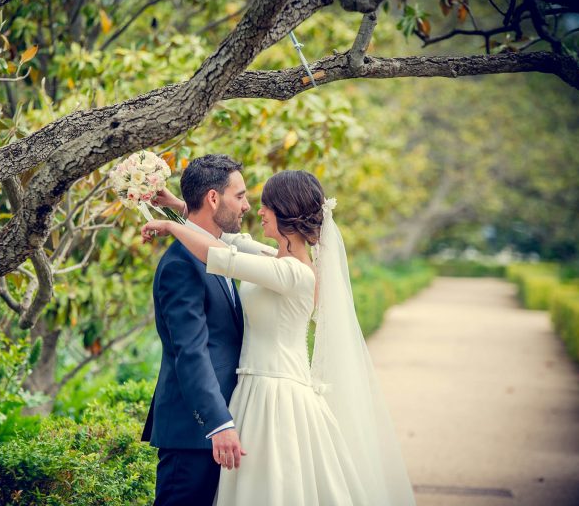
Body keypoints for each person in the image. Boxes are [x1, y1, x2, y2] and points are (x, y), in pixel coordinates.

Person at [143, 169, 416, 505]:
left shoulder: (294, 274)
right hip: (254, 393)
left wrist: (170, 226)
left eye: (266, 205)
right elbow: (227, 240)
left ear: (285, 213)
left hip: (276, 397)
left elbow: (221, 256)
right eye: (245, 198)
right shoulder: (273, 258)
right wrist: (178, 208)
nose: (257, 210)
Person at [142, 154, 274, 505]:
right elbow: (191, 351)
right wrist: (218, 423)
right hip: (194, 434)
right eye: (240, 196)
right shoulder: (179, 265)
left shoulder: (222, 250)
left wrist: (176, 212)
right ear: (214, 199)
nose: (247, 206)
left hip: (224, 431)